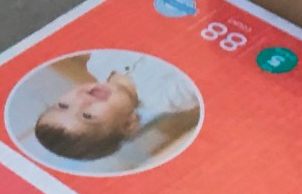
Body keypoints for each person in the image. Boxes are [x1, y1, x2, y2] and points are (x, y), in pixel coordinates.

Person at [30, 50, 201, 165]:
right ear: (128, 124)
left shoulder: (97, 62)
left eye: (63, 105)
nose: (82, 102)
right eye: (88, 116)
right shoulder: (168, 98)